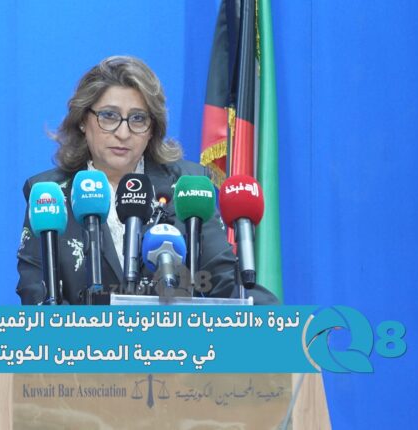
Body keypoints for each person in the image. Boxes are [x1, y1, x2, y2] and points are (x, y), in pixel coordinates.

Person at [16, 55, 276, 305]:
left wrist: (280, 323)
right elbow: (36, 293)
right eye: (109, 116)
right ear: (83, 120)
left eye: (138, 118)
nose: (123, 133)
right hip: (84, 336)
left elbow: (226, 281)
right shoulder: (50, 194)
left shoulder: (187, 186)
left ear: (153, 128)